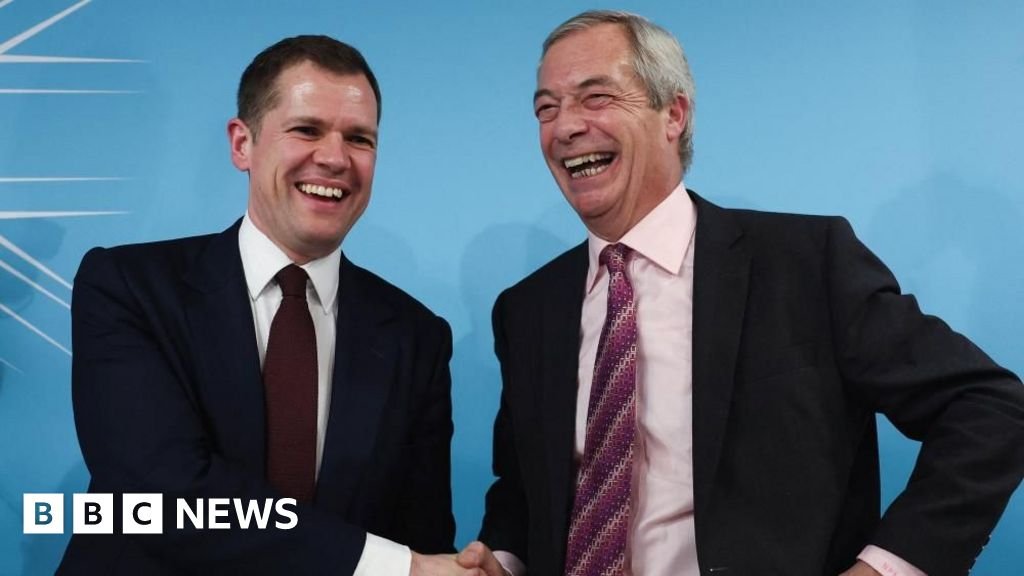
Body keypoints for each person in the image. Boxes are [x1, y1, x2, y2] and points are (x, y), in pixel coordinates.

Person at [460, 10, 1024, 576]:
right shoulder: (526, 309)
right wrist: (503, 561)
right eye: (546, 108)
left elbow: (991, 407)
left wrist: (887, 569)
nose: (564, 127)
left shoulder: (807, 263)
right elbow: (525, 489)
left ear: (673, 114)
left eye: (596, 97)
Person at [60, 35, 477, 575]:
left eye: (359, 138)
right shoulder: (129, 286)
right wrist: (395, 567)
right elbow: (160, 493)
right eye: (307, 130)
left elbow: (419, 535)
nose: (335, 158)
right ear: (243, 144)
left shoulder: (416, 336)